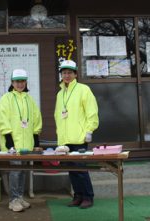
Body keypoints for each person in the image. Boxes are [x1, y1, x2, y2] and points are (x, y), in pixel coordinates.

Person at [54, 60, 99, 209]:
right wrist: (60, 137)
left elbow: (91, 111)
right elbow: (58, 116)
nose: (66, 75)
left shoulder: (83, 89)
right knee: (71, 170)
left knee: (80, 169)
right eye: (64, 73)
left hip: (80, 137)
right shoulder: (60, 94)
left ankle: (88, 196)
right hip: (65, 140)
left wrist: (89, 130)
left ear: (75, 74)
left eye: (69, 73)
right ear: (61, 75)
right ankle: (78, 196)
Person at [0, 68, 42, 212]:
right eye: (17, 81)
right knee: (15, 171)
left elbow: (36, 119)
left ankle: (20, 197)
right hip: (13, 144)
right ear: (12, 82)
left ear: (26, 82)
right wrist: (9, 140)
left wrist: (36, 141)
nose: (20, 84)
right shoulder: (6, 98)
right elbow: (2, 120)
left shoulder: (29, 99)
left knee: (22, 170)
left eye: (22, 81)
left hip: (26, 144)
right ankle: (13, 200)